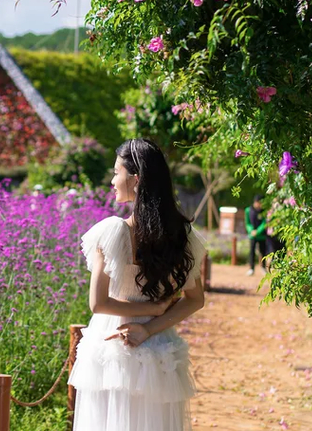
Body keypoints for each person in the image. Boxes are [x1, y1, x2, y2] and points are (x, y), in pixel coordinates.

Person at [68, 138, 208, 431]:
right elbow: (195, 299)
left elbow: (98, 303)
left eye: (116, 172)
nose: (111, 180)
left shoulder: (113, 232)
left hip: (113, 343)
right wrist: (151, 321)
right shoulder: (184, 236)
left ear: (136, 179)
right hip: (158, 345)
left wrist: (152, 310)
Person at [245, 198, 269, 275]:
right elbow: (247, 223)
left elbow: (264, 223)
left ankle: (263, 267)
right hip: (252, 235)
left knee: (263, 251)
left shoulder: (264, 211)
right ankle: (251, 268)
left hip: (261, 235)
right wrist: (251, 231)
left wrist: (258, 231)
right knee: (252, 252)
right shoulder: (248, 210)